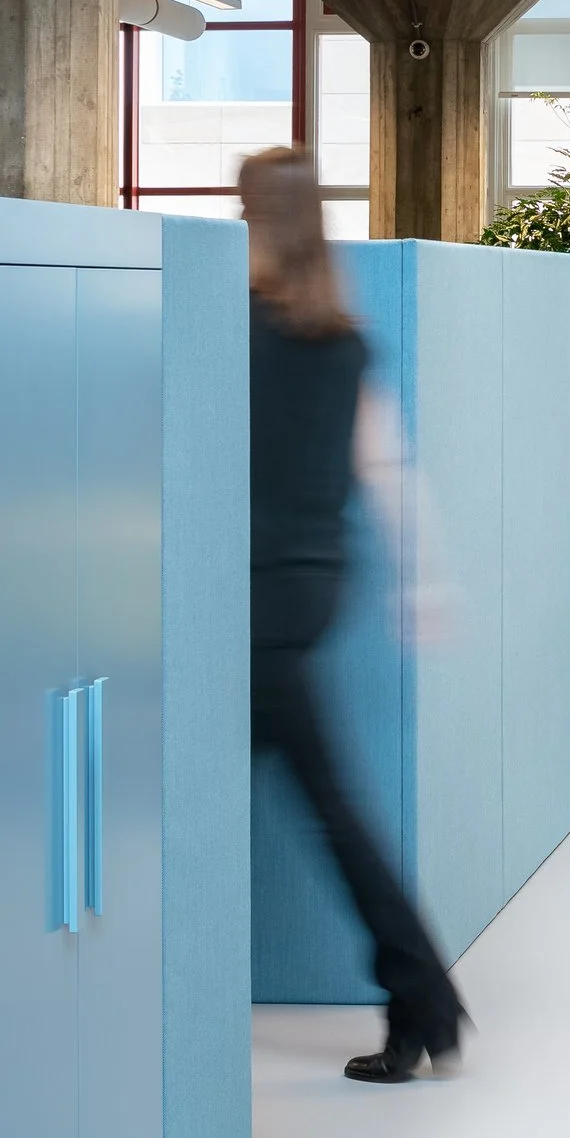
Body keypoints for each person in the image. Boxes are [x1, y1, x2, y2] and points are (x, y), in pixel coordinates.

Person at [239, 146, 465, 1083]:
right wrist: (425, 578)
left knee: (324, 804)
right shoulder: (344, 336)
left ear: (250, 214)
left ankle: (423, 1000)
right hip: (309, 589)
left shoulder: (233, 324)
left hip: (242, 598)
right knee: (310, 797)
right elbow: (386, 466)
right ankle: (424, 1003)